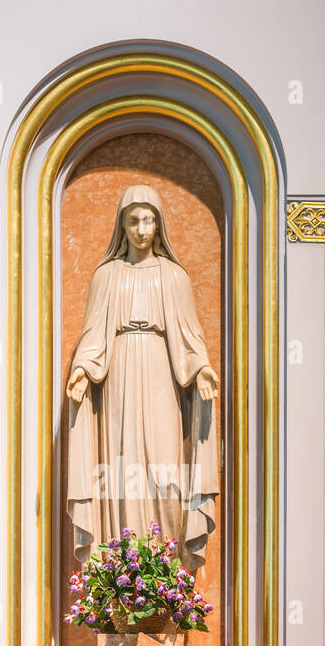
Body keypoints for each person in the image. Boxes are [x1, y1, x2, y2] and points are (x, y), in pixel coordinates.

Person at [66, 184, 220, 569]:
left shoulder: (173, 276)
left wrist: (200, 367)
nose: (140, 228)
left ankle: (166, 571)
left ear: (158, 224)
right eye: (133, 220)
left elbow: (189, 335)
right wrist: (83, 370)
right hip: (117, 378)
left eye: (148, 219)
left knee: (165, 474)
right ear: (122, 225)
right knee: (120, 473)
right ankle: (123, 572)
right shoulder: (107, 276)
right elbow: (92, 334)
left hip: (161, 377)